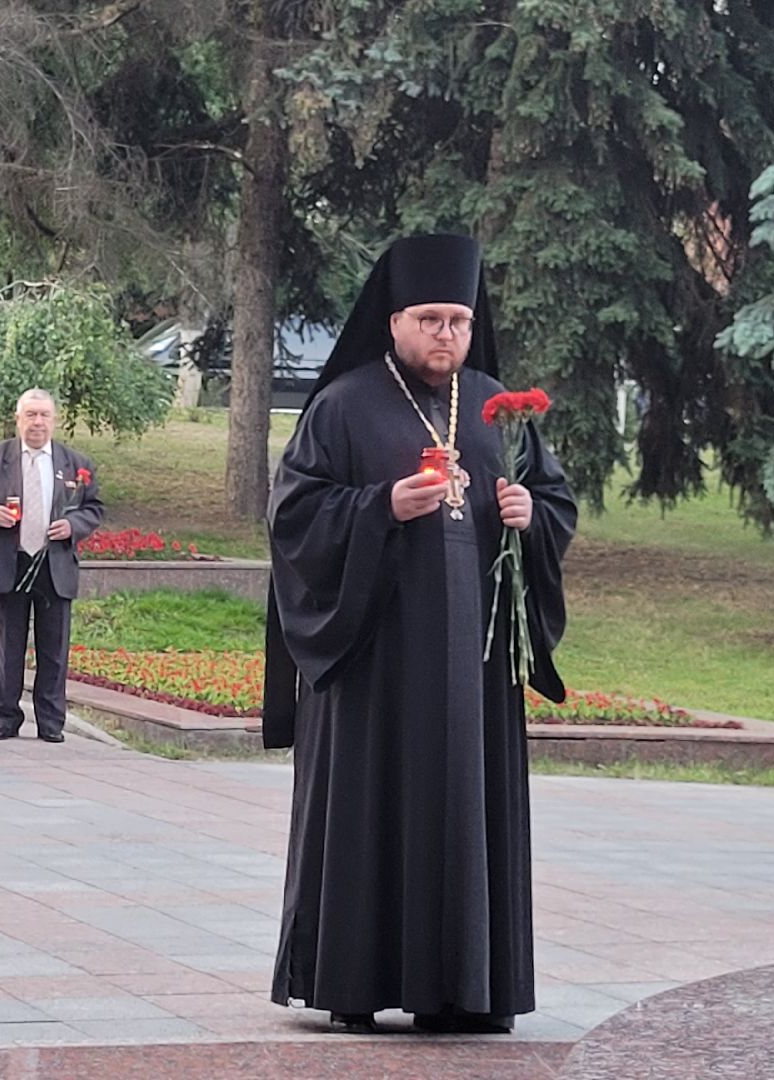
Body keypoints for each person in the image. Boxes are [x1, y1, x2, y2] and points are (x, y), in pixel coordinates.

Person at [263, 233, 577, 1036]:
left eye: (460, 321)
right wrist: (377, 508)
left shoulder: (494, 404)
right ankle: (358, 983)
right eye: (431, 319)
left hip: (473, 666)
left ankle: (465, 991)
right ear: (395, 320)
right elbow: (293, 516)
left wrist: (528, 516)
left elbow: (553, 501)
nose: (446, 335)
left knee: (468, 810)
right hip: (376, 661)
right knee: (374, 810)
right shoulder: (343, 405)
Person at [0, 390, 103, 742]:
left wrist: (75, 526)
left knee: (54, 648)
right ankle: (5, 718)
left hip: (54, 564)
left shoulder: (75, 463)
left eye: (44, 415)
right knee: (7, 647)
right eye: (30, 415)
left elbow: (94, 507)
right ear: (18, 419)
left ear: (54, 420)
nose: (37, 422)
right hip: (10, 562)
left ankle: (51, 721)